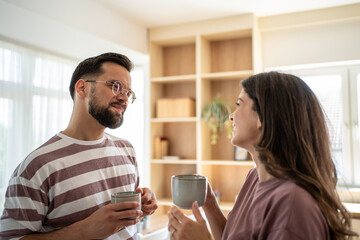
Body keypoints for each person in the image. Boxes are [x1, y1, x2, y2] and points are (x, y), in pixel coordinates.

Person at [167, 71, 358, 240]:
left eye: (239, 104)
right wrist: (209, 203)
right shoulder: (254, 178)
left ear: (262, 117)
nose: (231, 116)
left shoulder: (292, 204)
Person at [0, 52, 158, 240]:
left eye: (128, 92)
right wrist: (85, 231)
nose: (124, 98)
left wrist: (143, 201)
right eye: (116, 86)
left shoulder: (127, 149)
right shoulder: (38, 167)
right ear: (82, 88)